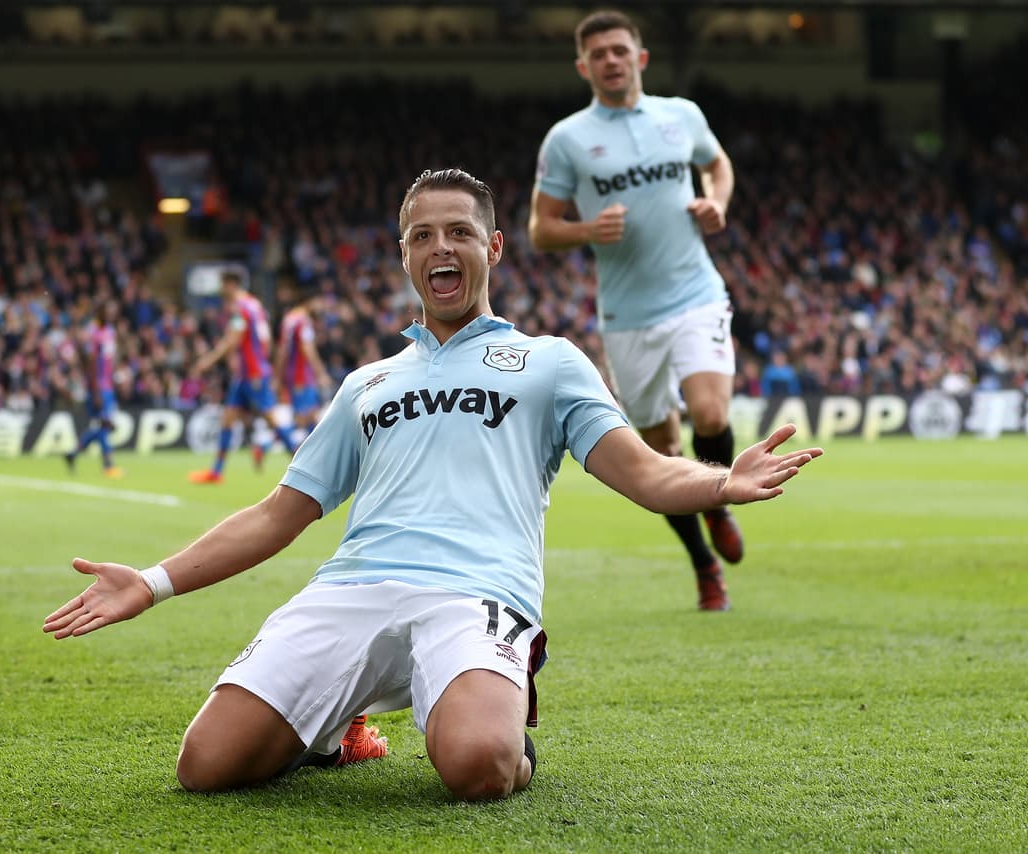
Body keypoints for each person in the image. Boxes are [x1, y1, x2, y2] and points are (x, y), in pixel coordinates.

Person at [43, 169, 822, 801]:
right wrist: (149, 583)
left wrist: (722, 480)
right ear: (405, 256)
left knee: (479, 769)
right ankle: (333, 728)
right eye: (422, 235)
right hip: (350, 589)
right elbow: (279, 514)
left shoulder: (550, 361)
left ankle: (504, 704)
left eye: (457, 232)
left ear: (494, 246)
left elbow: (645, 472)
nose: (439, 247)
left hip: (476, 593)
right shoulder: (368, 382)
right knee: (205, 768)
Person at [529, 9, 744, 610]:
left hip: (695, 292)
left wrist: (716, 201)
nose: (611, 61)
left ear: (640, 57)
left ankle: (720, 498)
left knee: (708, 410)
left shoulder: (682, 116)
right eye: (598, 54)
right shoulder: (568, 138)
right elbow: (541, 230)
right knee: (660, 452)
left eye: (620, 50)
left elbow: (718, 164)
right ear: (583, 67)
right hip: (628, 317)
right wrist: (587, 229)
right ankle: (703, 562)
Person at [187, 271, 299, 483]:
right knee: (228, 418)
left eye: (222, 285)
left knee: (271, 419)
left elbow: (232, 339)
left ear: (231, 284)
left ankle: (301, 461)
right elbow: (265, 340)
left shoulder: (242, 308)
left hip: (253, 373)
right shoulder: (255, 306)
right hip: (247, 372)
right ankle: (216, 472)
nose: (221, 290)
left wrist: (207, 361)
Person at [64, 300, 124, 478]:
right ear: (100, 313)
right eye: (108, 311)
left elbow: (110, 360)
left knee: (104, 425)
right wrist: (96, 390)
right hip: (98, 386)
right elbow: (90, 364)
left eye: (114, 311)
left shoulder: (111, 332)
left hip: (108, 384)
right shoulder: (94, 333)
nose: (112, 314)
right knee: (105, 424)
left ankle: (73, 453)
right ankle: (108, 466)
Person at [272, 286, 333, 443]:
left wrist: (278, 375)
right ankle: (266, 444)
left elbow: (282, 350)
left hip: (293, 374)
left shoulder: (290, 318)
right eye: (318, 301)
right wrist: (321, 372)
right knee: (303, 418)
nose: (320, 306)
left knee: (311, 415)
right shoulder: (302, 321)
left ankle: (316, 454)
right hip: (302, 376)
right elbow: (307, 349)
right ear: (310, 301)